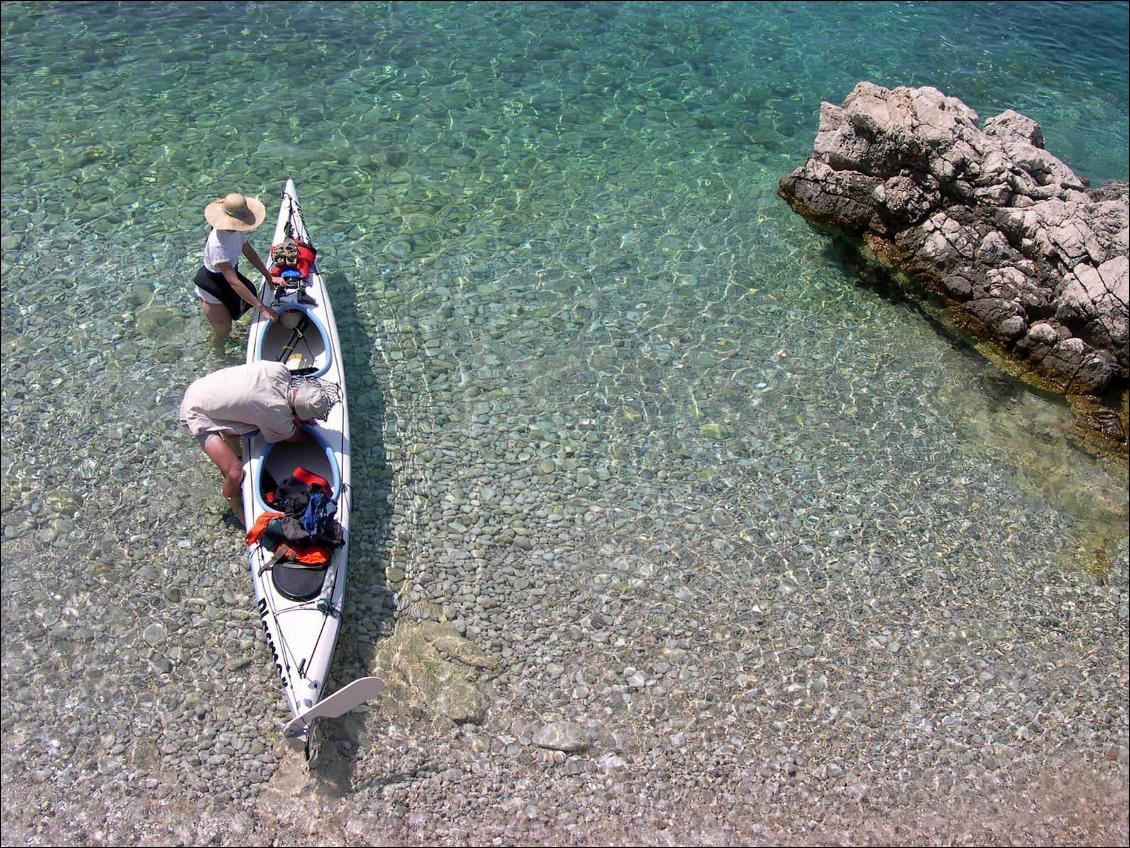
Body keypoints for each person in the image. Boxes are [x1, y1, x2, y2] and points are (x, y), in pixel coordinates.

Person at [178, 361, 337, 523]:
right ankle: (235, 505)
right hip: (194, 413)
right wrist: (299, 424)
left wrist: (296, 416)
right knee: (235, 472)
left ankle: (231, 442)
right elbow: (295, 438)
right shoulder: (276, 417)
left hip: (202, 388)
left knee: (246, 420)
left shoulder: (280, 370)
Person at [194, 192, 283, 354]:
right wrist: (261, 308)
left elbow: (248, 251)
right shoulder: (217, 245)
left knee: (238, 312)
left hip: (228, 277)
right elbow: (233, 281)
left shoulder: (235, 230)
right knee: (222, 332)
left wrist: (269, 276)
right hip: (213, 286)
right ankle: (218, 355)